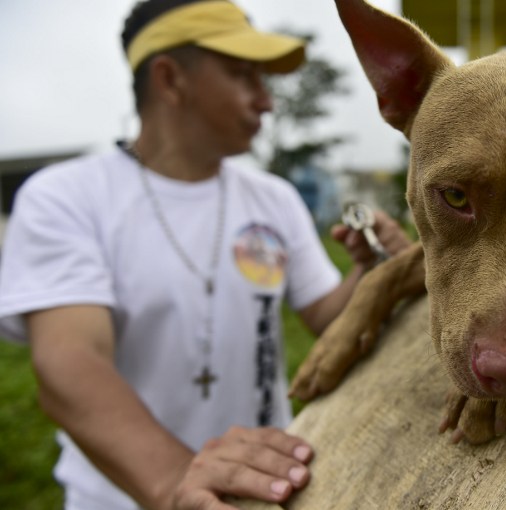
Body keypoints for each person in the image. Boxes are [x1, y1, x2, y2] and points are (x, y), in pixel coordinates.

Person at [0, 0, 411, 508]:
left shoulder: (272, 198)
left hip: (264, 484)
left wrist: (373, 273)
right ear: (170, 80)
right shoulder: (67, 197)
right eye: (244, 76)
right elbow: (69, 362)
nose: (266, 101)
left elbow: (328, 319)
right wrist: (176, 478)